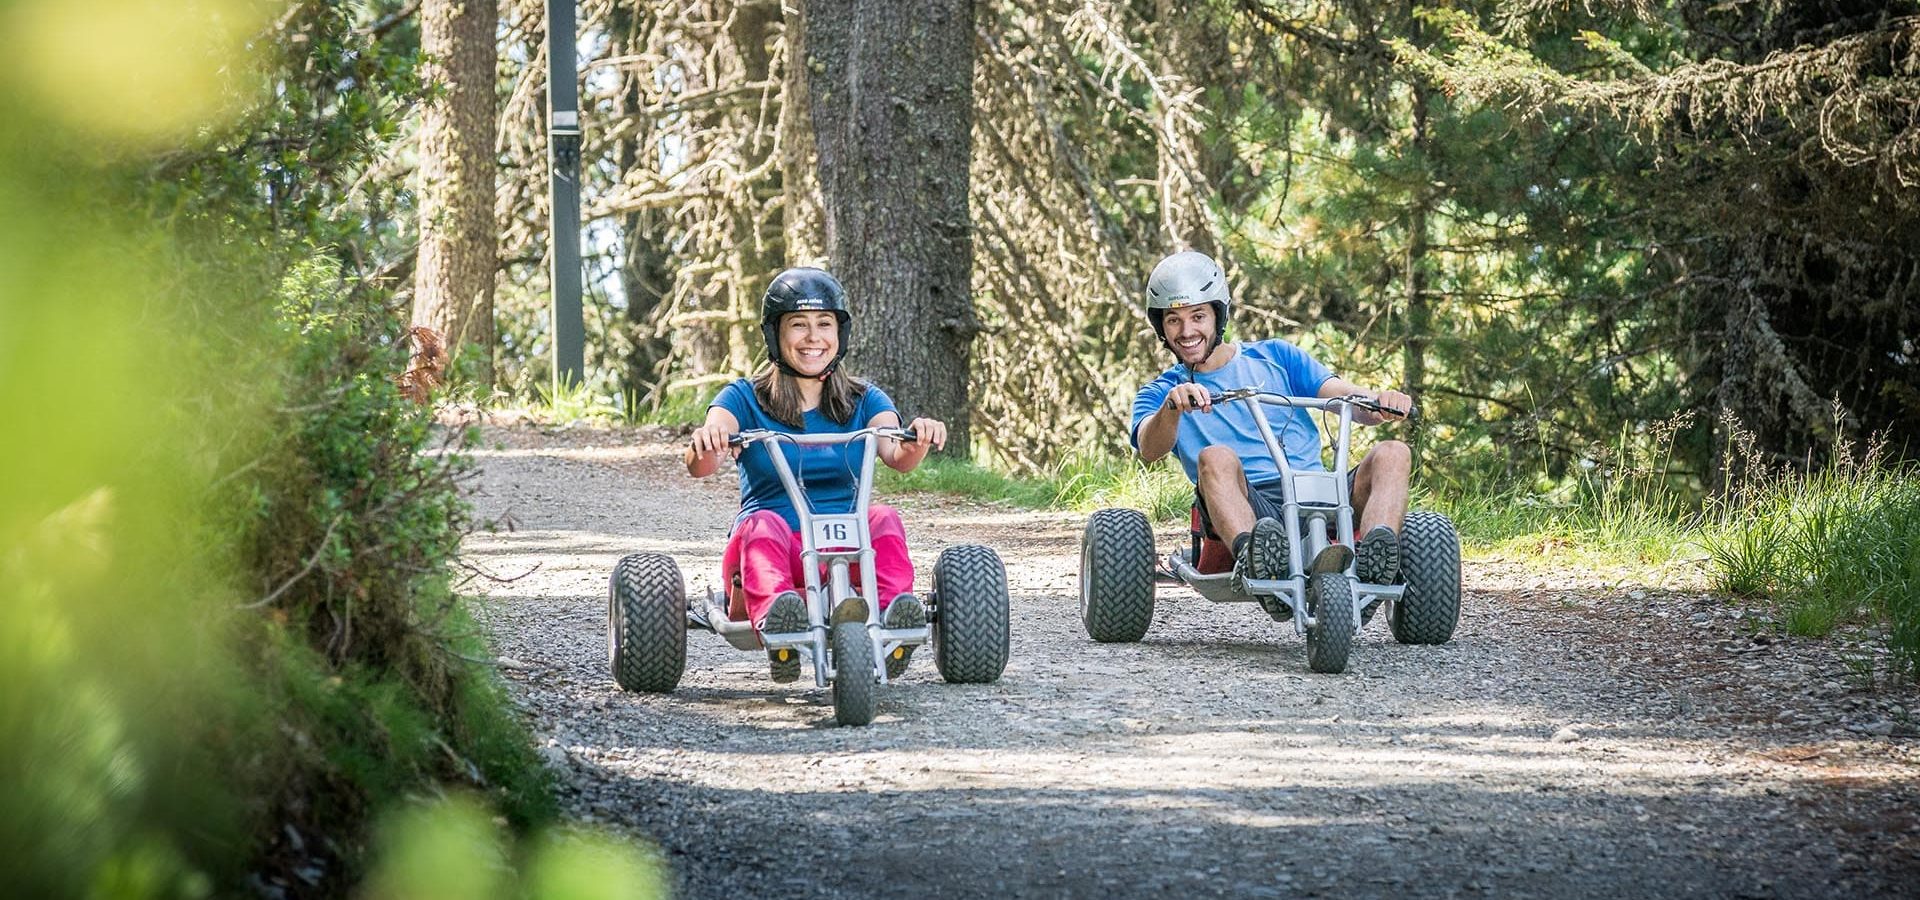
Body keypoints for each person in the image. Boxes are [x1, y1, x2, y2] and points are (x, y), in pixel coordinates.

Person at [686, 267, 947, 682]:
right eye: (798, 325)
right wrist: (712, 438)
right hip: (774, 553)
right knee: (762, 523)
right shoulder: (743, 398)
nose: (813, 337)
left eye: (824, 324)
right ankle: (781, 624)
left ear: (839, 334)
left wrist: (917, 439)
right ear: (776, 334)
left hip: (847, 548)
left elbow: (895, 453)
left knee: (882, 518)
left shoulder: (864, 398)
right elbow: (702, 465)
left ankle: (895, 620)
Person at [1130, 250, 1414, 593]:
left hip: (1320, 497)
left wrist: (1380, 400)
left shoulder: (1276, 356)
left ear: (1218, 317)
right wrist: (1171, 410)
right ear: (1160, 326)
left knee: (1394, 452)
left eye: (1198, 316)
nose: (1187, 331)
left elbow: (1346, 400)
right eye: (1173, 320)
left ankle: (1374, 557)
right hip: (1252, 507)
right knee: (1215, 455)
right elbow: (1149, 448)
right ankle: (1260, 560)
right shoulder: (1161, 393)